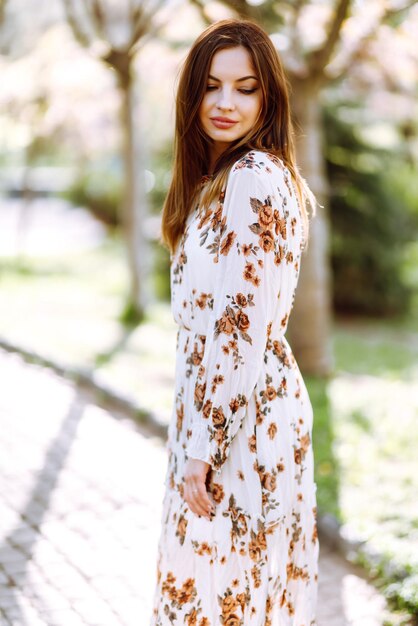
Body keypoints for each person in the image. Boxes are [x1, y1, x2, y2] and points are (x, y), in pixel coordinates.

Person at [151, 17, 319, 626]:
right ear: (192, 93)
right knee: (233, 591)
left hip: (237, 421)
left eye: (246, 88)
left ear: (268, 96)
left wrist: (206, 445)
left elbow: (239, 327)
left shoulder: (252, 180)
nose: (225, 103)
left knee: (224, 594)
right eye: (212, 86)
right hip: (227, 410)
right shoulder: (223, 181)